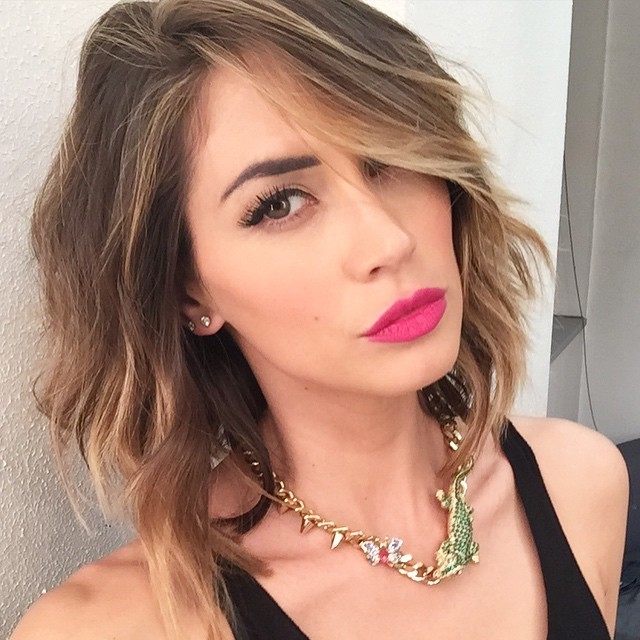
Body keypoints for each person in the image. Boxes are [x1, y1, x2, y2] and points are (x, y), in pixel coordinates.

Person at [11, 1, 629, 639]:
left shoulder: (580, 483)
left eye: (388, 157)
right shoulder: (116, 626)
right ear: (187, 292)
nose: (389, 240)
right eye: (280, 203)